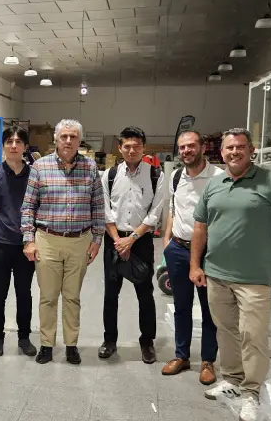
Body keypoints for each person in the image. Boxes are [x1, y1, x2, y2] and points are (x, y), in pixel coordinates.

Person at [190, 128, 271, 421]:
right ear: (221, 152)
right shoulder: (215, 184)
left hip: (254, 277)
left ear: (251, 150)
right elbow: (200, 226)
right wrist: (195, 265)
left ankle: (251, 392)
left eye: (240, 147)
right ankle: (232, 379)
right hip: (217, 274)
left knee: (253, 335)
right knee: (226, 331)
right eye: (229, 148)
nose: (234, 152)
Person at [21, 119, 105, 365]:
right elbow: (28, 207)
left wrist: (97, 239)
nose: (68, 141)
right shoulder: (40, 167)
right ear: (56, 140)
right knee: (48, 297)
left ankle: (71, 345)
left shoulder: (90, 167)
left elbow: (98, 206)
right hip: (47, 240)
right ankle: (47, 344)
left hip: (80, 241)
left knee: (72, 297)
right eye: (64, 136)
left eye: (73, 137)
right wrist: (29, 240)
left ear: (79, 140)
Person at [99, 126, 165, 364]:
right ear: (120, 148)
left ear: (143, 148)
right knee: (110, 294)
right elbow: (105, 210)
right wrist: (118, 240)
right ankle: (109, 340)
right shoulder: (109, 175)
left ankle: (147, 342)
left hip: (141, 241)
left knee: (145, 294)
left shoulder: (156, 175)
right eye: (127, 146)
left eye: (137, 146)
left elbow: (155, 212)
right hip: (114, 240)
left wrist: (132, 239)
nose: (132, 150)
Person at [161, 131, 222, 384]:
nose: (186, 151)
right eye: (182, 147)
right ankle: (181, 355)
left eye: (191, 146)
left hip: (208, 252)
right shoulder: (176, 176)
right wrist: (167, 242)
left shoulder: (219, 177)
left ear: (203, 147)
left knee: (209, 308)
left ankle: (208, 360)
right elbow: (173, 210)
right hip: (177, 249)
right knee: (181, 306)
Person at [0, 126, 37, 357]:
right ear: (3, 146)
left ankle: (24, 337)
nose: (14, 145)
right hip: (0, 244)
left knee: (24, 293)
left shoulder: (34, 175)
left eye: (18, 141)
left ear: (25, 146)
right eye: (9, 142)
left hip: (26, 245)